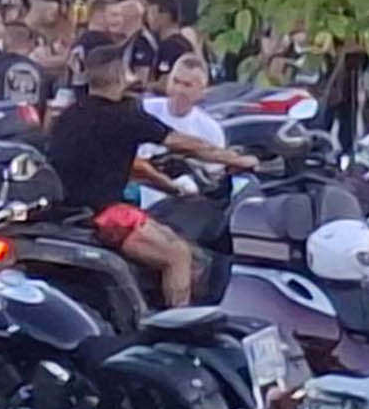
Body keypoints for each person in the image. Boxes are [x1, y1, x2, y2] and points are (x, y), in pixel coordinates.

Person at [47, 45, 256, 308]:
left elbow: (132, 166)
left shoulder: (70, 114)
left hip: (68, 212)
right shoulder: (125, 116)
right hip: (105, 215)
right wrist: (239, 160)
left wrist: (167, 185)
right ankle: (179, 323)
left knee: (170, 235)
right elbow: (186, 145)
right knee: (179, 255)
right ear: (120, 74)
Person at [137, 56, 227, 207]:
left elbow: (213, 179)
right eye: (176, 82)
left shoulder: (211, 130)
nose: (179, 90)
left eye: (187, 85)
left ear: (202, 91)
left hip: (185, 206)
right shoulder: (144, 110)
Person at [0, 21, 48, 105]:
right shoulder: (40, 70)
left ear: (6, 39)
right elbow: (45, 105)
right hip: (30, 113)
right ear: (30, 43)